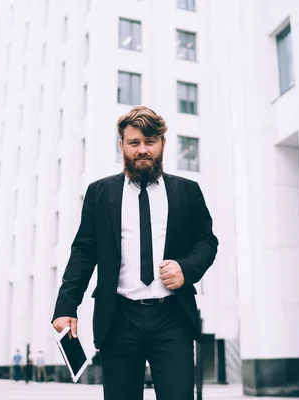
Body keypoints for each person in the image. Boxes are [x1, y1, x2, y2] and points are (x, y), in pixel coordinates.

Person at [52, 106, 218, 400]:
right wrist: (66, 306)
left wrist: (186, 268)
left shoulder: (187, 191)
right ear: (122, 146)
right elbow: (83, 252)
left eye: (150, 142)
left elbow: (207, 242)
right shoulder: (100, 194)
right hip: (118, 317)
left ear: (163, 144)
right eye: (134, 143)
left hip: (173, 318)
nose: (142, 150)